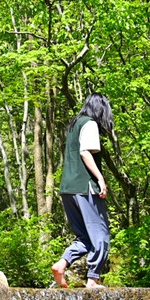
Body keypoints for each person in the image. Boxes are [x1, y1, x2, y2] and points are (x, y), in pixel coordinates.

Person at [52, 93, 114, 289]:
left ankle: (62, 264)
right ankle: (93, 280)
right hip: (85, 188)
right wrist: (100, 179)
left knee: (85, 238)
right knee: (101, 236)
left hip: (68, 189)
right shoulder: (90, 124)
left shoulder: (74, 125)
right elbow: (85, 152)